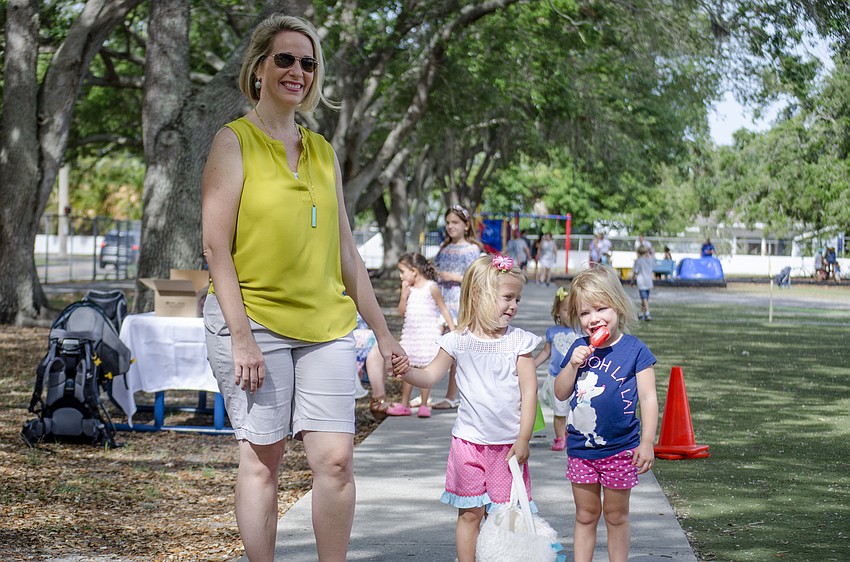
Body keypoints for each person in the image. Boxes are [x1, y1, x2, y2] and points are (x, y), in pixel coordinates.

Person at [200, 14, 407, 562]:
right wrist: (240, 337)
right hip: (254, 322)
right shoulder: (233, 142)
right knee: (262, 460)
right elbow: (216, 249)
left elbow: (346, 253)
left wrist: (383, 333)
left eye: (308, 62)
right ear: (259, 68)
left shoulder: (322, 151)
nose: (298, 70)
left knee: (336, 460)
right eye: (285, 59)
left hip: (327, 326)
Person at [397, 254, 541, 562]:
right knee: (469, 513)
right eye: (507, 298)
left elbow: (530, 392)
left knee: (504, 516)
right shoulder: (457, 341)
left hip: (507, 447)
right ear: (479, 296)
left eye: (517, 299)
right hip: (468, 444)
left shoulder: (519, 342)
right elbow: (429, 376)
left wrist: (524, 438)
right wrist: (405, 371)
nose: (514, 306)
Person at [554, 266, 658, 562]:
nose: (593, 318)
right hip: (582, 450)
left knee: (616, 515)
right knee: (586, 514)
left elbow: (648, 398)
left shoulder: (635, 350)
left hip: (621, 449)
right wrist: (572, 365)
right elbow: (560, 392)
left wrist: (647, 442)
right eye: (585, 313)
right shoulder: (578, 348)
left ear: (618, 306)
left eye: (601, 308)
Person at [367, 253, 455, 418]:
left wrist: (453, 331)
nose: (401, 276)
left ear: (414, 271)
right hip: (411, 334)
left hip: (427, 333)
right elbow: (402, 312)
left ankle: (424, 404)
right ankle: (405, 403)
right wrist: (403, 295)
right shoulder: (410, 290)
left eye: (402, 271)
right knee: (407, 367)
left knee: (425, 368)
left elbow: (443, 309)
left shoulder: (431, 287)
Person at [424, 205, 484, 410]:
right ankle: (425, 394)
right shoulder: (444, 248)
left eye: (455, 222)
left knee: (455, 351)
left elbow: (477, 277)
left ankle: (451, 395)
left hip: (460, 303)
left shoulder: (472, 250)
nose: (450, 226)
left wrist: (453, 277)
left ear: (466, 225)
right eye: (448, 222)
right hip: (441, 303)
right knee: (434, 346)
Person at [533, 286, 579, 451]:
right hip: (557, 378)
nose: (570, 314)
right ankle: (560, 437)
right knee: (559, 411)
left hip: (576, 379)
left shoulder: (581, 332)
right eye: (566, 310)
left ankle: (571, 434)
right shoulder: (552, 332)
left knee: (575, 410)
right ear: (557, 312)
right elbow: (546, 352)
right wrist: (532, 365)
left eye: (574, 311)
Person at [632, 245, 655, 321]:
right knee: (645, 299)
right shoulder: (650, 260)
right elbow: (654, 266)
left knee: (644, 298)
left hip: (641, 282)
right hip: (648, 281)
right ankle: (641, 313)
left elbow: (635, 271)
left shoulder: (638, 261)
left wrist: (632, 280)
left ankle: (647, 313)